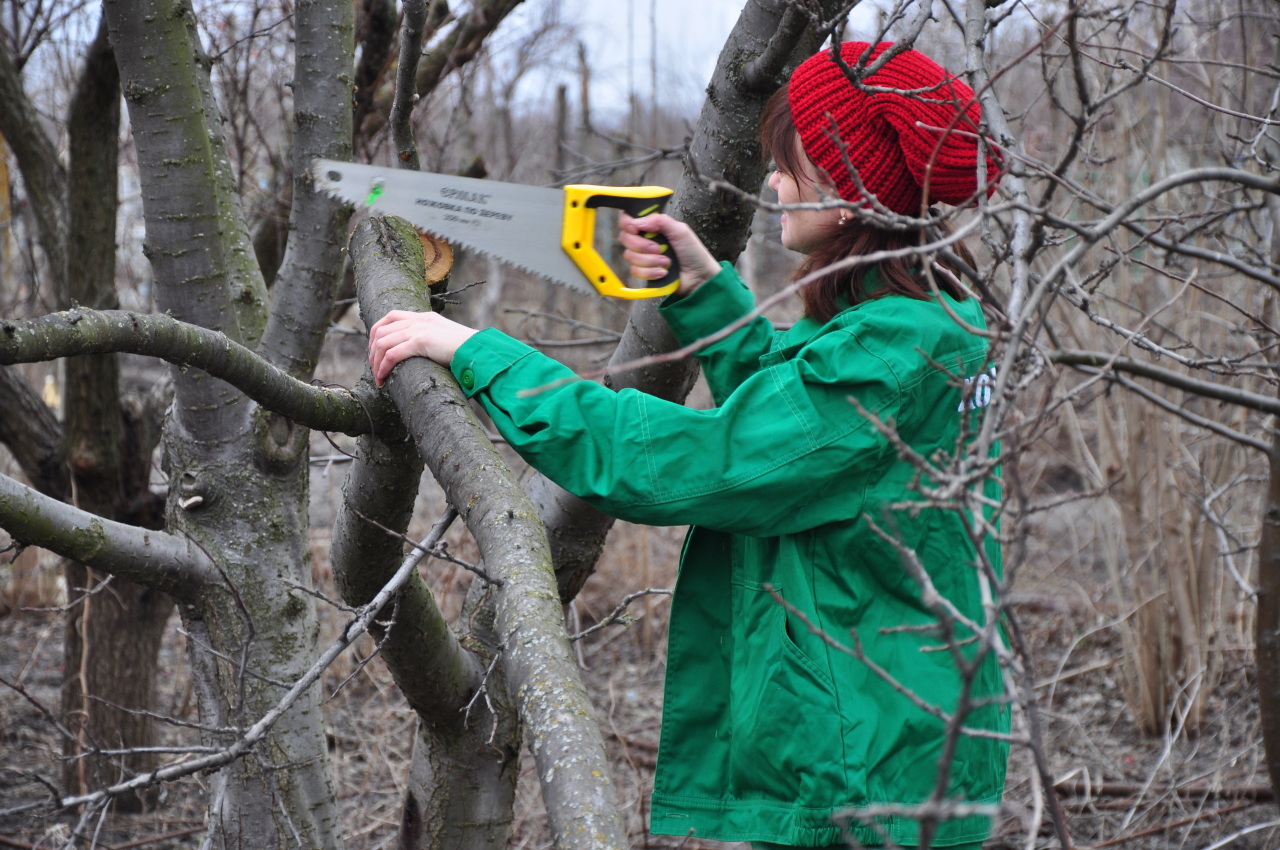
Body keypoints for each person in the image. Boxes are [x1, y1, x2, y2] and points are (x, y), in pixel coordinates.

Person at [368, 41, 1007, 850]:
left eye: (790, 165)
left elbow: (702, 461)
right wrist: (708, 294)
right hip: (897, 733)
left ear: (851, 191)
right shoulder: (928, 321)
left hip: (866, 766)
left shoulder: (890, 353)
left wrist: (477, 353)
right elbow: (804, 426)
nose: (774, 185)